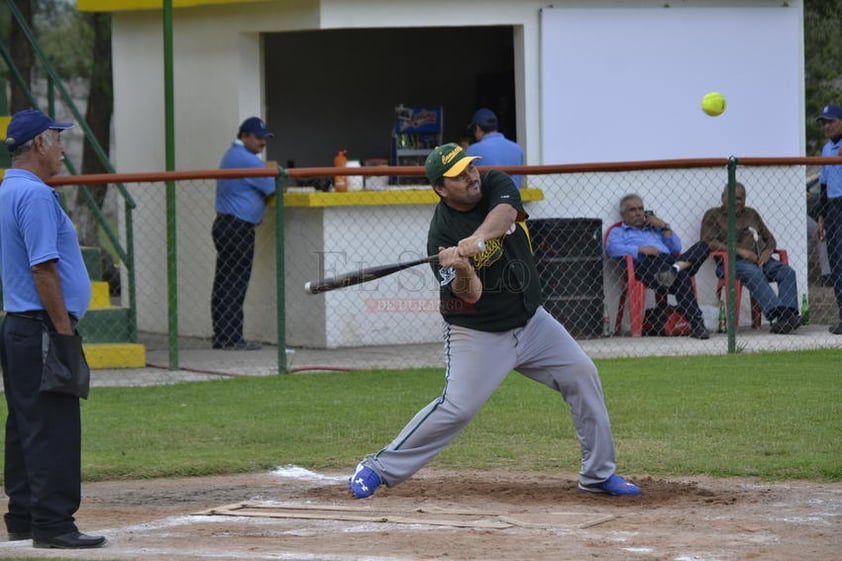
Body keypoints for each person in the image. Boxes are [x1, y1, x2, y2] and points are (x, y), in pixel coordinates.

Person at [347, 143, 640, 499]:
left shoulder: (496, 184)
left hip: (533, 323)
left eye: (471, 167)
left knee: (582, 375)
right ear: (440, 188)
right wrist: (461, 266)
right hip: (477, 332)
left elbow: (503, 215)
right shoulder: (441, 236)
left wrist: (478, 239)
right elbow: (471, 296)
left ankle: (597, 475)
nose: (471, 176)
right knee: (456, 408)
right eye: (459, 174)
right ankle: (377, 468)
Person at [0, 109, 106, 549]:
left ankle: (23, 515)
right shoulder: (37, 196)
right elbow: (44, 269)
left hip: (18, 326)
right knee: (54, 426)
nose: (64, 148)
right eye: (57, 139)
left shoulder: (7, 189)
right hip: (42, 326)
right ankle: (53, 523)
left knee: (25, 423)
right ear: (39, 145)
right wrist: (63, 333)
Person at [211, 116, 276, 350]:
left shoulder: (235, 155)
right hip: (237, 227)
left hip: (228, 225)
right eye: (258, 138)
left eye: (265, 138)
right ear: (244, 136)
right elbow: (273, 186)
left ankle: (223, 336)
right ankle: (231, 338)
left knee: (225, 282)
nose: (262, 142)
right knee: (234, 283)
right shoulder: (245, 159)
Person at [605, 194, 710, 339]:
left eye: (641, 209)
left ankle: (675, 269)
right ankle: (697, 324)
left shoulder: (655, 229)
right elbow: (612, 248)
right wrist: (640, 249)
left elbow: (676, 247)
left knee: (703, 246)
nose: (638, 213)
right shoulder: (619, 232)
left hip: (669, 262)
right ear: (623, 214)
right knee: (682, 276)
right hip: (648, 265)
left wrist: (663, 226)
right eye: (633, 210)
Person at [700, 182, 801, 334]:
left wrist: (768, 251)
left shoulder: (751, 214)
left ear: (745, 199)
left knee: (786, 272)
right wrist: (740, 251)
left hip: (761, 260)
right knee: (753, 272)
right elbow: (707, 242)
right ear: (723, 198)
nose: (736, 202)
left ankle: (787, 317)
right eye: (732, 198)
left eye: (740, 198)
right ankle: (781, 314)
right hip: (732, 263)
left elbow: (770, 239)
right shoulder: (713, 215)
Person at [815, 103, 842, 335]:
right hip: (834, 208)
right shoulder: (826, 149)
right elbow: (823, 185)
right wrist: (821, 216)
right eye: (824, 122)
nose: (827, 126)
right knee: (837, 263)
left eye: (831, 121)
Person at [465, 108, 524, 188]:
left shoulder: (473, 150)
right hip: (513, 198)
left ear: (477, 128)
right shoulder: (517, 149)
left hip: (488, 199)